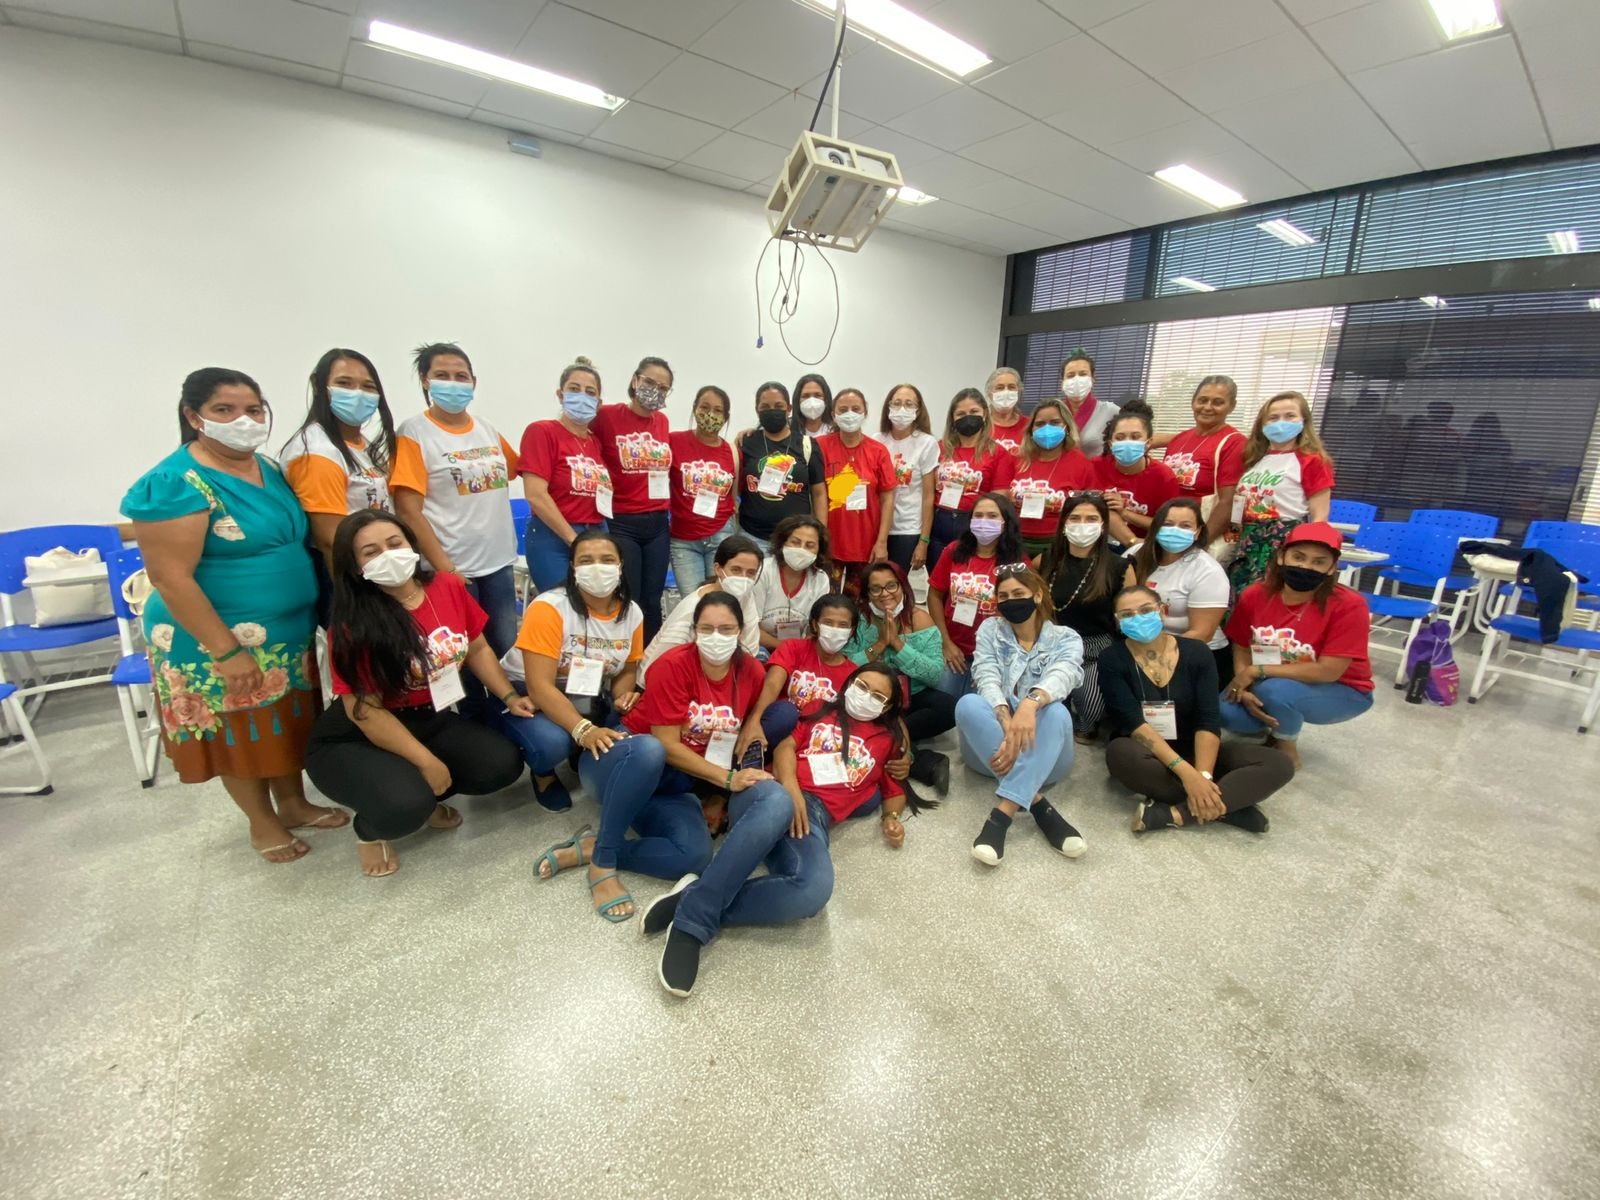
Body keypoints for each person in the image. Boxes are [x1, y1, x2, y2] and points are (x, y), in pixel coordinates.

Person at [124, 368, 335, 864]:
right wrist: (226, 650)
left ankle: (293, 802)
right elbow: (171, 578)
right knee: (239, 729)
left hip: (284, 633)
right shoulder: (174, 483)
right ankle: (261, 823)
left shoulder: (267, 467)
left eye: (254, 409)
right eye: (225, 410)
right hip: (212, 637)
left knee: (282, 721)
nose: (244, 420)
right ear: (193, 416)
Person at [642, 662, 913, 998]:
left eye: (878, 696)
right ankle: (690, 927)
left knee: (814, 890)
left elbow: (893, 787)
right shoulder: (820, 709)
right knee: (778, 803)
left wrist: (892, 817)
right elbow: (785, 745)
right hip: (769, 790)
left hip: (813, 820)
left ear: (888, 707)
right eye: (861, 686)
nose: (866, 697)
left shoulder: (887, 742)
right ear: (848, 684)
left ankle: (693, 898)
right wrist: (790, 787)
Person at [303, 511, 529, 876]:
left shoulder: (447, 586)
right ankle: (372, 828)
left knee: (500, 765)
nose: (388, 555)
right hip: (358, 734)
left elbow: (477, 648)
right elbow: (366, 712)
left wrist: (509, 696)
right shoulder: (351, 623)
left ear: (411, 545)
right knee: (404, 805)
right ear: (355, 566)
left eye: (395, 544)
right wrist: (426, 762)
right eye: (371, 552)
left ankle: (420, 795)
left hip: (429, 714)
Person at [1102, 585, 1293, 835]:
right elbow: (1134, 724)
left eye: (1146, 610)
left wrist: (1203, 775)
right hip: (1149, 753)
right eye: (1127, 615)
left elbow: (1208, 718)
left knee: (1279, 764)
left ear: (1163, 611)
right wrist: (1189, 777)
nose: (1137, 618)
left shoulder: (1197, 652)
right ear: (1118, 622)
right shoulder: (1112, 659)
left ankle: (1177, 813)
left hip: (1198, 748)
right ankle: (1228, 807)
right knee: (1120, 753)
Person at [496, 529, 643, 812]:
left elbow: (628, 668)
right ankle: (543, 773)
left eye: (607, 559)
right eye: (586, 560)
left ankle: (581, 749)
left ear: (620, 565)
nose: (597, 568)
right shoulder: (550, 607)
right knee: (551, 743)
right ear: (573, 567)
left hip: (583, 689)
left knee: (626, 718)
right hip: (526, 691)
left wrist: (622, 696)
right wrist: (583, 729)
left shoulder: (632, 612)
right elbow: (540, 686)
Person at [390, 342, 520, 658]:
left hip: (498, 561)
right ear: (425, 381)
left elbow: (515, 469)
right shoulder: (414, 432)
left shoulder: (486, 428)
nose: (453, 383)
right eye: (442, 375)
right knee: (465, 654)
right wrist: (446, 569)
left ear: (473, 382)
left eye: (461, 376)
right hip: (453, 567)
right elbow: (408, 510)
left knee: (505, 649)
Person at [624, 591, 771, 857]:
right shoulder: (671, 665)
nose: (716, 637)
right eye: (706, 629)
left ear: (740, 632)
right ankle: (603, 845)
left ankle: (708, 798)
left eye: (726, 629)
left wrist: (754, 721)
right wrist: (729, 780)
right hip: (650, 764)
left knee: (695, 854)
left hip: (696, 766)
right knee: (660, 770)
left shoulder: (752, 670)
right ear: (694, 631)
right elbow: (666, 745)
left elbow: (748, 717)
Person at [957, 566, 1086, 866]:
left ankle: (1002, 816)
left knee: (1057, 713)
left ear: (1037, 596)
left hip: (1045, 756)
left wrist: (1030, 704)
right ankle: (1038, 803)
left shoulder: (1066, 638)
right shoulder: (990, 630)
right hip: (991, 752)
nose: (1010, 601)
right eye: (1003, 596)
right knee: (967, 704)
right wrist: (1006, 721)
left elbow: (1065, 674)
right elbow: (985, 674)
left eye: (1018, 593)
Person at [1220, 523, 1374, 771]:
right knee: (1225, 709)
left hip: (1342, 689)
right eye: (1298, 557)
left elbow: (1329, 671)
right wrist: (1244, 684)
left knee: (1275, 691)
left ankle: (1287, 752)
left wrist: (1256, 672)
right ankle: (1271, 727)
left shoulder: (1349, 605)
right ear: (1282, 556)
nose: (1306, 567)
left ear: (1332, 567)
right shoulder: (1254, 595)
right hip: (1271, 679)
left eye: (1319, 562)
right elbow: (1242, 645)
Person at [279, 347, 395, 562]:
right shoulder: (318, 451)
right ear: (318, 385)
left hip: (380, 559)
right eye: (344, 383)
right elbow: (330, 540)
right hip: (351, 567)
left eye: (368, 386)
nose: (358, 393)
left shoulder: (361, 443)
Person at [849, 560, 954, 791]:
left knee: (948, 707)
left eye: (891, 586)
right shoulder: (858, 621)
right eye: (876, 589)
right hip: (871, 698)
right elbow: (845, 669)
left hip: (910, 696)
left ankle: (884, 739)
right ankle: (922, 761)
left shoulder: (920, 618)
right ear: (867, 594)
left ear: (902, 587)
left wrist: (897, 644)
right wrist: (879, 645)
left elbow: (934, 674)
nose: (885, 594)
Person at [589, 356, 674, 641]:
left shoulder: (662, 422)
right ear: (635, 380)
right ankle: (626, 654)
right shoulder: (607, 416)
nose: (655, 390)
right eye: (649, 382)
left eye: (663, 387)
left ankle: (650, 658)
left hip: (658, 523)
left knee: (652, 598)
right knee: (630, 596)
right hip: (622, 521)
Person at [1041, 493, 1137, 741]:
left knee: (1091, 709)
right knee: (1046, 706)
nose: (1083, 525)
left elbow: (1127, 620)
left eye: (1091, 519)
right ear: (1064, 523)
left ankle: (1086, 721)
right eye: (1075, 518)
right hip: (1053, 642)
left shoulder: (1120, 567)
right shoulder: (1047, 559)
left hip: (1095, 646)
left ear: (1103, 525)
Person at [518, 357, 611, 594]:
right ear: (561, 395)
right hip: (554, 537)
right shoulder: (542, 432)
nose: (582, 396)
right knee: (564, 603)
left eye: (590, 392)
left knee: (597, 602)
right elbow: (536, 495)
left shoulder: (594, 442)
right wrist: (573, 539)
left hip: (595, 532)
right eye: (574, 389)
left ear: (598, 403)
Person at [1228, 390, 1336, 593]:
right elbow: (1239, 501)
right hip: (1247, 540)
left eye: (1289, 416)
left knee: (1268, 597)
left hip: (1283, 540)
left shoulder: (1312, 460)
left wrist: (1304, 555)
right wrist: (1231, 538)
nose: (1280, 423)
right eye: (1273, 417)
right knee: (1239, 597)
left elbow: (1320, 516)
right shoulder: (1254, 458)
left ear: (1303, 420)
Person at [740, 592, 862, 766]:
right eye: (828, 623)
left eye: (843, 625)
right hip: (778, 727)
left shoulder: (853, 674)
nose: (835, 630)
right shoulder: (794, 648)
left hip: (810, 741)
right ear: (815, 624)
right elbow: (772, 684)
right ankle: (740, 763)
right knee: (786, 712)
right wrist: (753, 721)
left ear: (851, 631)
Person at [927, 493, 1022, 696]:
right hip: (953, 647)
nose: (984, 521)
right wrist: (945, 643)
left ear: (1006, 522)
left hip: (994, 654)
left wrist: (997, 662)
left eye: (992, 516)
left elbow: (1021, 617)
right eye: (978, 516)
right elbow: (934, 595)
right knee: (944, 703)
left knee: (980, 706)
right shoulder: (953, 550)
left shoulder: (1016, 561)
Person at [1130, 498, 1233, 684]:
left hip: (1194, 654)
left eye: (1185, 526)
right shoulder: (1137, 553)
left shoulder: (1207, 570)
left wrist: (1152, 655)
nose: (1175, 531)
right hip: (1139, 647)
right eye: (1168, 524)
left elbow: (1202, 634)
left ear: (1197, 532)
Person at [642, 536, 764, 681]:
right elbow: (659, 665)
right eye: (736, 570)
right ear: (718, 569)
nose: (743, 579)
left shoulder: (746, 597)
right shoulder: (692, 609)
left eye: (750, 573)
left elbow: (749, 649)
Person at [991, 399, 1094, 562]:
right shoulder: (1016, 458)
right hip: (1014, 539)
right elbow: (999, 498)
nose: (1047, 428)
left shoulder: (1081, 463)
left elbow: (1090, 509)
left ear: (1067, 426)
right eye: (1039, 424)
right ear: (1031, 429)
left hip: (1059, 543)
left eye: (1055, 422)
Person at [818, 387, 899, 595]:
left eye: (855, 409)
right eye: (843, 409)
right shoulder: (820, 447)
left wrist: (882, 542)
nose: (849, 414)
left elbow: (888, 499)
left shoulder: (878, 451)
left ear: (865, 413)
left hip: (866, 544)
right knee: (827, 601)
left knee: (859, 603)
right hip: (829, 544)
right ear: (833, 414)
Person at [1156, 375, 1245, 547]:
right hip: (1168, 531)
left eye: (1218, 402)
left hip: (1200, 534)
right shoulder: (1179, 439)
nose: (1207, 407)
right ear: (1193, 402)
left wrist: (1199, 543)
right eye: (1202, 400)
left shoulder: (1234, 443)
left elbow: (1228, 502)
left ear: (1231, 406)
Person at [667, 385, 738, 593]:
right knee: (692, 601)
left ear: (726, 417)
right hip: (683, 539)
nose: (710, 414)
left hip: (721, 535)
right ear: (694, 408)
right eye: (705, 407)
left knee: (720, 599)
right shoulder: (673, 441)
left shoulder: (732, 451)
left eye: (718, 410)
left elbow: (734, 495)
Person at [736, 381, 826, 543]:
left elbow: (819, 493)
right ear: (757, 410)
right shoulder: (746, 443)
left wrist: (820, 535)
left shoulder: (807, 445)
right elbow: (736, 489)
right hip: (752, 537)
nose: (772, 411)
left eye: (778, 406)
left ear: (789, 408)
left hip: (796, 539)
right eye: (765, 407)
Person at [929, 387, 1003, 570]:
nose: (967, 417)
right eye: (961, 414)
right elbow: (928, 491)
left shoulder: (997, 452)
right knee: (938, 577)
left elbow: (1000, 500)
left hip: (974, 523)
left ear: (984, 414)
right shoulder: (939, 448)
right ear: (952, 419)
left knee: (966, 577)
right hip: (939, 522)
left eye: (974, 412)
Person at [1090, 401, 1180, 544]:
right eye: (1120, 438)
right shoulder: (1095, 467)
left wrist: (1125, 513)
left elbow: (1168, 525)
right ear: (1111, 443)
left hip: (1143, 545)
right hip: (1097, 542)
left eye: (1135, 437)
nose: (1127, 442)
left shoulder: (1163, 477)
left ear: (1148, 443)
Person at [873, 383, 939, 575]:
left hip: (907, 529)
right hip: (877, 527)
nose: (902, 409)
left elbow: (928, 497)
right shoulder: (877, 440)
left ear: (918, 410)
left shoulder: (926, 443)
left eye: (909, 404)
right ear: (888, 407)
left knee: (894, 581)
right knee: (871, 581)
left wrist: (923, 541)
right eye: (897, 403)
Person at [747, 515, 833, 651]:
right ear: (782, 543)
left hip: (799, 648)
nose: (801, 549)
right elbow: (750, 628)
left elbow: (815, 629)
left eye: (810, 545)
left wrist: (799, 649)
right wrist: (786, 648)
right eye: (795, 542)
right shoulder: (763, 570)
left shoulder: (820, 579)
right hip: (758, 645)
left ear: (819, 550)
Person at [1059, 351, 1122, 460]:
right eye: (1070, 375)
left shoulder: (1110, 411)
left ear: (1093, 379)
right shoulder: (1055, 412)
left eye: (1083, 374)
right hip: (1060, 469)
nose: (1076, 379)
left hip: (1096, 470)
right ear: (1063, 382)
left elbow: (1138, 436)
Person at [985, 367, 1027, 455]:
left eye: (1011, 387)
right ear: (989, 393)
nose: (1006, 392)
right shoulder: (981, 425)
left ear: (1019, 392)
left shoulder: (1029, 425)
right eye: (999, 388)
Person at [794, 372, 832, 438]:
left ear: (826, 398)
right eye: (805, 396)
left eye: (818, 395)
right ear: (798, 400)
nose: (812, 401)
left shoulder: (835, 431)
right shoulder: (789, 432)